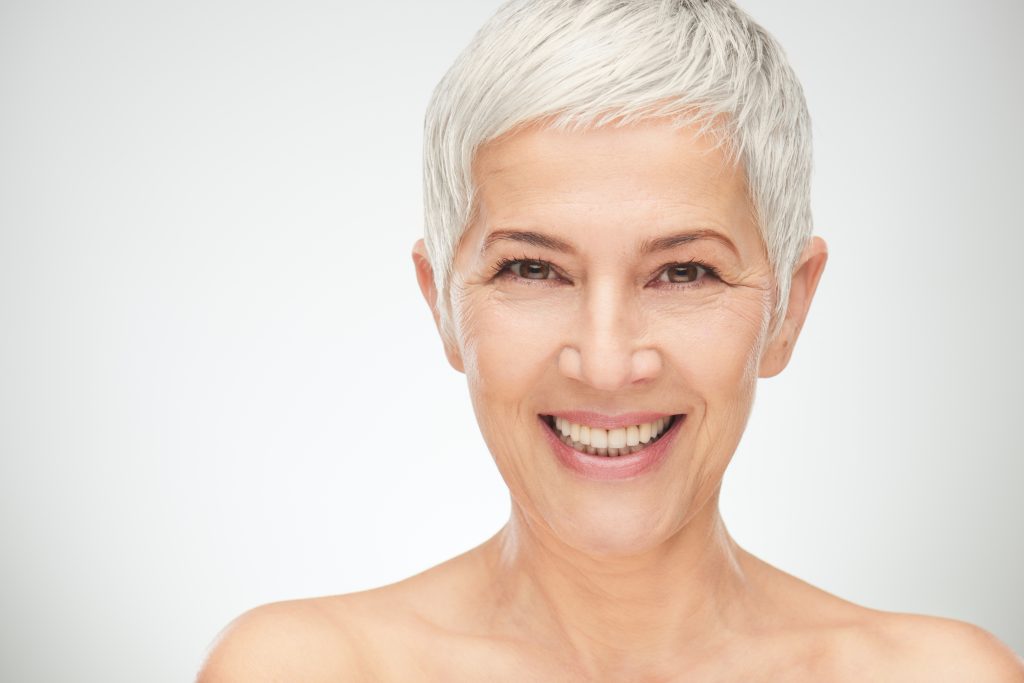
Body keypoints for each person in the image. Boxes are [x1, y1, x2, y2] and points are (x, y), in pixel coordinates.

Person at [197, 1, 1024, 680]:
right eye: (531, 269)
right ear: (441, 304)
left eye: (685, 273)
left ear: (789, 311)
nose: (604, 361)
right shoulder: (301, 668)